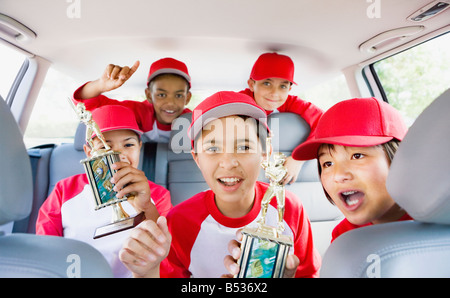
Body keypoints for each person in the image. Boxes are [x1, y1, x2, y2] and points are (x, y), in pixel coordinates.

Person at [121, 91, 321, 278]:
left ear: (265, 153)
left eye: (243, 147)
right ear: (197, 159)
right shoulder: (178, 222)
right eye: (213, 148)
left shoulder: (290, 209)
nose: (228, 162)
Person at [36, 105, 172, 277]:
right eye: (103, 148)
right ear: (88, 153)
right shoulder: (64, 190)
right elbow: (46, 248)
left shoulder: (157, 195)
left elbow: (165, 253)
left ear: (139, 147)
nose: (117, 155)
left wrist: (145, 207)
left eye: (128, 145)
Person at [291, 97, 413, 242]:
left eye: (357, 156)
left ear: (400, 159)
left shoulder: (439, 222)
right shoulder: (344, 237)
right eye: (328, 164)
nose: (338, 175)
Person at [240, 52, 324, 185]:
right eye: (267, 83)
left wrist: (298, 158)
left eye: (283, 86)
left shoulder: (290, 102)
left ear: (290, 88)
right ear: (251, 84)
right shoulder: (238, 101)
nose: (275, 93)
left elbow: (324, 123)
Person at [72, 57, 192, 142]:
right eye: (161, 95)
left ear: (187, 98)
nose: (170, 103)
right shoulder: (139, 112)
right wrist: (100, 85)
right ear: (149, 95)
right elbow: (88, 107)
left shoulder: (194, 121)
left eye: (179, 95)